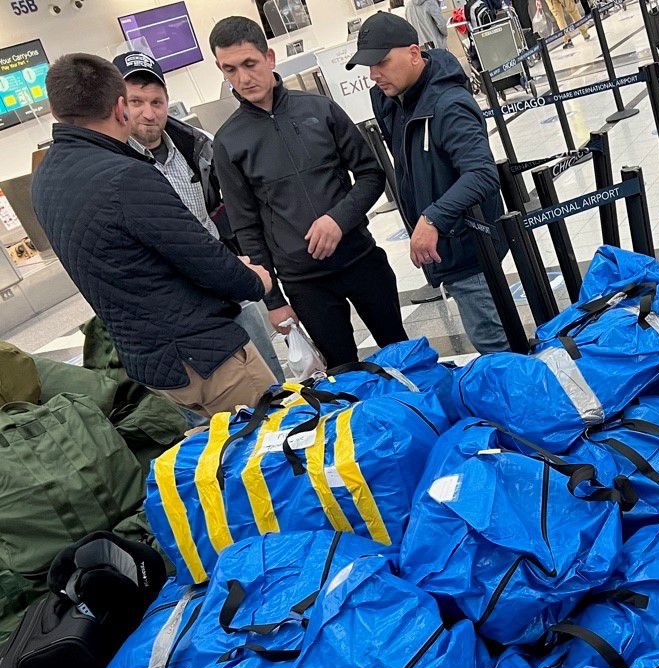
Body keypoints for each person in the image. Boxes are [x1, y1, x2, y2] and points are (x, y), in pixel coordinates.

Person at [31, 53, 277, 418]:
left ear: (55, 109)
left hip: (157, 368)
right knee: (273, 444)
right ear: (120, 107)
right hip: (205, 358)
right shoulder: (126, 176)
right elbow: (200, 258)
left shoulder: (45, 179)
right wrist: (255, 281)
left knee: (220, 460)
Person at [209, 16, 409, 368]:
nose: (243, 78)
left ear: (269, 58)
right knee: (342, 374)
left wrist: (338, 220)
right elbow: (246, 228)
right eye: (230, 69)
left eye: (250, 64)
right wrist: (273, 302)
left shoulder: (320, 109)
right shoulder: (228, 142)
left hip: (361, 261)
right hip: (305, 285)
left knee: (404, 357)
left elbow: (371, 175)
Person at [112, 50, 286, 383]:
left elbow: (228, 206)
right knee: (212, 396)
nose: (148, 114)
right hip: (177, 302)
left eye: (156, 102)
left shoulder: (197, 146)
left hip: (222, 273)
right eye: (135, 102)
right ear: (118, 105)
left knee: (267, 377)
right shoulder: (116, 166)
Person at [349, 11, 510, 354]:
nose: (375, 75)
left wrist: (433, 217)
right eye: (369, 66)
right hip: (442, 248)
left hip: (469, 247)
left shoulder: (449, 104)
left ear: (412, 53)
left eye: (382, 62)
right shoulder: (389, 98)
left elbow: (482, 174)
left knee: (494, 343)